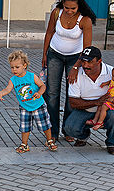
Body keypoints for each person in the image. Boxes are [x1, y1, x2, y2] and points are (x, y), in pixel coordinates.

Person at [42, 0, 96, 143]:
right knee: (52, 93)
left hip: (76, 58)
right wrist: (44, 54)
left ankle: (67, 130)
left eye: (73, 8)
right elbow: (49, 33)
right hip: (55, 53)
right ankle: (53, 131)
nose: (69, 11)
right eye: (66, 7)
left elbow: (86, 49)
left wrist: (77, 67)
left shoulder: (85, 20)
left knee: (71, 93)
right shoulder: (56, 13)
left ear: (79, 6)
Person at [0, 50, 58, 153]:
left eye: (17, 67)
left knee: (45, 124)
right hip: (25, 106)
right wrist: (1, 93)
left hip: (38, 105)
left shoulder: (31, 76)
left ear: (24, 65)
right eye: (12, 67)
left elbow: (42, 85)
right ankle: (24, 144)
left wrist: (40, 93)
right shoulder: (13, 80)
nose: (14, 69)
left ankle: (49, 141)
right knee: (25, 126)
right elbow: (8, 89)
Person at [64, 46, 114, 155]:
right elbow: (73, 102)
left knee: (113, 115)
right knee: (69, 128)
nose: (85, 65)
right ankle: (83, 136)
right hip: (85, 110)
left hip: (108, 110)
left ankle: (112, 142)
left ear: (99, 61)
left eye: (90, 62)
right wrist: (97, 102)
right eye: (83, 61)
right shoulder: (76, 74)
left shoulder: (111, 72)